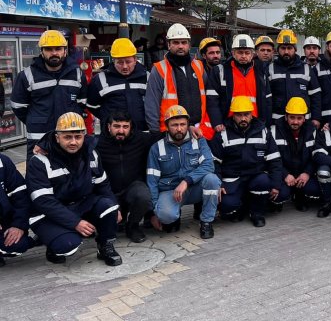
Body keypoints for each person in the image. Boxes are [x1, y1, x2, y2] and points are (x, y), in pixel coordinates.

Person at [26, 112, 122, 266]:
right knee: (67, 244)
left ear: (84, 136)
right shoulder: (39, 161)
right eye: (67, 137)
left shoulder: (91, 154)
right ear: (57, 137)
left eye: (78, 137)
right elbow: (43, 202)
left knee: (109, 206)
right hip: (47, 214)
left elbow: (103, 185)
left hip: (80, 204)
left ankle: (105, 246)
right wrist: (75, 222)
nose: (73, 142)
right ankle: (52, 243)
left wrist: (114, 207)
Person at [147, 105, 220, 239]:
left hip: (194, 187)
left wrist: (187, 181)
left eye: (183, 124)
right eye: (174, 125)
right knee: (165, 216)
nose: (179, 128)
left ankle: (206, 221)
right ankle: (174, 216)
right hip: (170, 191)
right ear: (167, 125)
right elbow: (152, 181)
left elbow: (209, 165)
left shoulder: (199, 141)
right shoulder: (156, 148)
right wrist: (154, 212)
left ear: (188, 124)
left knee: (212, 180)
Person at [209, 96, 283, 228]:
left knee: (264, 181)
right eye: (239, 115)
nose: (243, 118)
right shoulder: (222, 133)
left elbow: (274, 159)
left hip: (256, 177)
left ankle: (257, 214)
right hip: (232, 179)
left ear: (252, 114)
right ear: (233, 115)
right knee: (226, 205)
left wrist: (276, 184)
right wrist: (218, 183)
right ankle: (240, 208)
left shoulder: (263, 131)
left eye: (246, 114)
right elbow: (214, 162)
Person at [11, 30, 87, 158]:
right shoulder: (27, 75)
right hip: (39, 139)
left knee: (70, 175)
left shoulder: (77, 73)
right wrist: (35, 120)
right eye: (49, 49)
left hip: (69, 138)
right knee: (39, 175)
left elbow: (82, 102)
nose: (54, 53)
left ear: (65, 50)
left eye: (58, 49)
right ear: (42, 51)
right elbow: (18, 106)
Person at [95, 111, 158, 243]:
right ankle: (119, 218)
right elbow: (70, 142)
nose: (121, 131)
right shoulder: (97, 142)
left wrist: (191, 128)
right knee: (110, 225)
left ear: (131, 127)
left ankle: (133, 225)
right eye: (117, 126)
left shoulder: (141, 139)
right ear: (108, 127)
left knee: (143, 195)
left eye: (125, 127)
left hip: (133, 188)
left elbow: (167, 135)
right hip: (110, 192)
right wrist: (43, 145)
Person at [145, 23, 213, 139]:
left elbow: (209, 97)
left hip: (199, 129)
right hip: (171, 132)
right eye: (176, 42)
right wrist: (155, 132)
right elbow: (152, 103)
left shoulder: (199, 66)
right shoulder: (159, 69)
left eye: (184, 42)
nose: (180, 46)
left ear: (189, 45)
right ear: (169, 45)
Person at [206, 34, 272, 132]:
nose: (244, 56)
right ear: (233, 53)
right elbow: (212, 100)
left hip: (256, 122)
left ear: (253, 54)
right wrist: (217, 122)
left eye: (247, 52)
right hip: (229, 124)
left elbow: (268, 100)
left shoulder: (261, 72)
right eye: (240, 52)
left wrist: (267, 123)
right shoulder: (220, 71)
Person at [86, 38, 148, 134]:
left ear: (135, 59)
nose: (124, 66)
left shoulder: (147, 77)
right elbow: (91, 105)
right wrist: (107, 117)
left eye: (128, 62)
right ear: (113, 60)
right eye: (119, 62)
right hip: (112, 137)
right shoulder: (100, 79)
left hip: (141, 134)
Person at [269, 97, 320, 212]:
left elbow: (316, 156)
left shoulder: (313, 130)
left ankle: (299, 196)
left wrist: (307, 173)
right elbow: (272, 159)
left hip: (303, 174)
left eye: (299, 118)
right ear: (286, 117)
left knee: (315, 190)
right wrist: (285, 175)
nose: (295, 122)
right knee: (281, 195)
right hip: (284, 175)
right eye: (292, 117)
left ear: (304, 119)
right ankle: (284, 197)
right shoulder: (274, 131)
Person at [268, 30, 321, 125]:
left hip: (303, 122)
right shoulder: (270, 69)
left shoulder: (306, 68)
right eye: (283, 48)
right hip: (278, 122)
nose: (286, 51)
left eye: (289, 48)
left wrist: (316, 118)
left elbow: (315, 96)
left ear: (295, 49)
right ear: (278, 49)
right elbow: (266, 99)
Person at [0, 152, 35, 266]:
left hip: (4, 221)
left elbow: (20, 196)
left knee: (18, 244)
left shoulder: (3, 161)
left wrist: (19, 225)